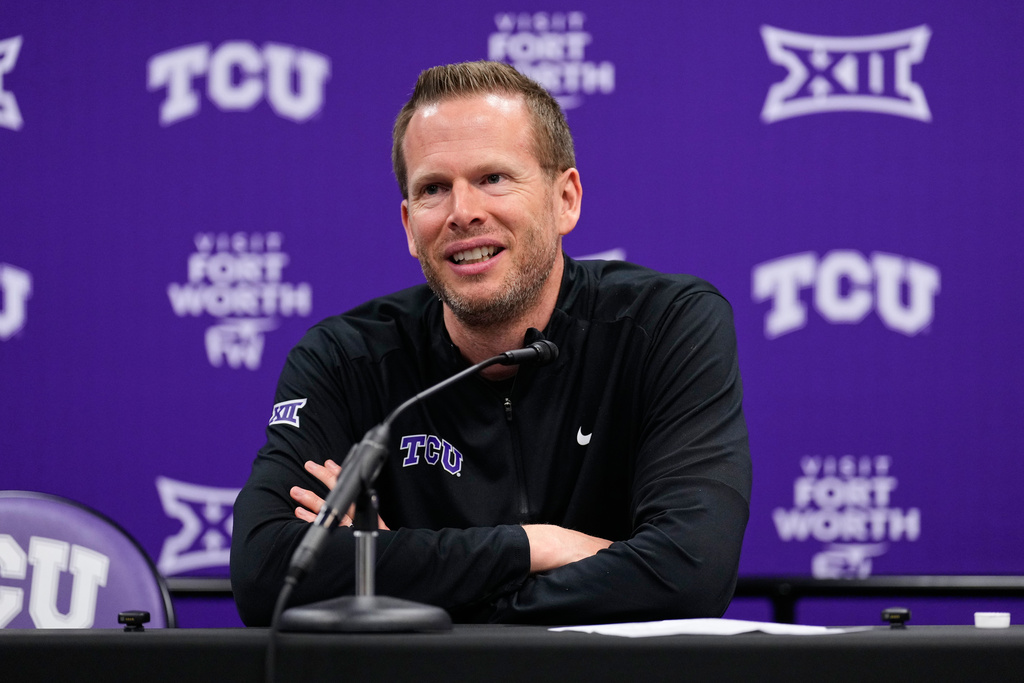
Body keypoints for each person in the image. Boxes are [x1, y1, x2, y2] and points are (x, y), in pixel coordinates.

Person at [230, 60, 752, 626]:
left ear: (565, 200)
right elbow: (266, 574)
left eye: (493, 178)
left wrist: (395, 567)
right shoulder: (345, 359)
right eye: (433, 189)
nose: (463, 212)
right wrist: (537, 545)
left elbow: (688, 575)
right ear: (409, 225)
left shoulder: (665, 325)